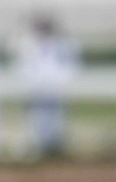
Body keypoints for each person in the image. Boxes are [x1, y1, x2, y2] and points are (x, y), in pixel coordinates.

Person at [17, 15, 77, 160]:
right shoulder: (27, 44)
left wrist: (62, 82)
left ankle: (54, 149)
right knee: (37, 119)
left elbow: (71, 66)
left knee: (57, 119)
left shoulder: (63, 44)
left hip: (56, 87)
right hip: (36, 87)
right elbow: (22, 67)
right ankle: (39, 149)